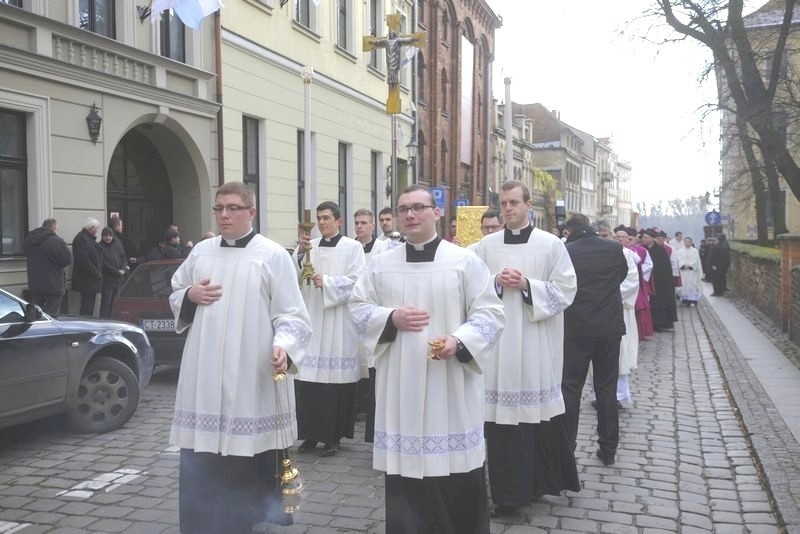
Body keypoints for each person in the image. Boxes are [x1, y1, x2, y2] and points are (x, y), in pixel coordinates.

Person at [350, 185, 505, 533]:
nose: (409, 214)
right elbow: (358, 309)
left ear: (436, 213)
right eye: (403, 209)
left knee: (456, 471)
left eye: (418, 207)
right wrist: (390, 319)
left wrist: (459, 341)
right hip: (401, 382)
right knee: (407, 477)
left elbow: (491, 315)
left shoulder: (463, 261)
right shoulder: (381, 264)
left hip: (449, 384)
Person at [169, 181, 312, 534]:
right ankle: (201, 520)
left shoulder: (272, 255)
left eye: (233, 208)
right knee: (203, 450)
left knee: (245, 449)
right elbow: (176, 290)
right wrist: (190, 294)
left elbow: (291, 314)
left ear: (251, 212)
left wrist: (284, 346)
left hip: (252, 370)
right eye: (219, 208)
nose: (224, 215)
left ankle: (243, 518)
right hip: (204, 371)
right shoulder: (201, 252)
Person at [474, 181, 578, 516]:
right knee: (502, 425)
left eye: (513, 203)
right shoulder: (485, 246)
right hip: (498, 349)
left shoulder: (550, 245)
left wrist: (527, 285)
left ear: (529, 204)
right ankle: (508, 495)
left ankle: (535, 485)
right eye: (503, 203)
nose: (507, 209)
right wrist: (495, 283)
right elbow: (470, 287)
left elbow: (566, 290)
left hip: (535, 345)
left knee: (533, 421)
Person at [292, 201, 365, 457]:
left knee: (334, 384)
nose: (322, 223)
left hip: (338, 321)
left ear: (339, 221)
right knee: (308, 380)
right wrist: (300, 255)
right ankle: (310, 435)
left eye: (326, 218)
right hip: (313, 317)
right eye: (319, 219)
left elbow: (359, 282)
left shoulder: (353, 248)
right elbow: (295, 275)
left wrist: (330, 282)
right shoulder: (309, 245)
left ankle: (332, 437)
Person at [561, 213, 628, 467]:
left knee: (570, 389)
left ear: (570, 230)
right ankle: (608, 448)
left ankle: (568, 446)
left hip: (577, 328)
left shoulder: (567, 251)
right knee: (606, 389)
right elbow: (620, 277)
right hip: (609, 328)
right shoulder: (613, 248)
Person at [352, 208, 387, 441]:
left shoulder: (382, 249)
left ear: (372, 226)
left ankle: (367, 406)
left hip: (374, 308)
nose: (360, 227)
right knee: (356, 360)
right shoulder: (349, 247)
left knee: (371, 361)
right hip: (354, 310)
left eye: (364, 222)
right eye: (357, 223)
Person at [23, 218, 72, 316]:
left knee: (35, 316)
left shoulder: (30, 239)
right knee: (51, 317)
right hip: (53, 285)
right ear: (54, 228)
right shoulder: (56, 241)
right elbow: (67, 259)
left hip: (35, 284)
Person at [641, 229, 677, 332]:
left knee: (660, 301)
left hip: (660, 281)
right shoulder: (644, 249)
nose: (643, 239)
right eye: (643, 237)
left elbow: (663, 268)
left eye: (645, 237)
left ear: (652, 239)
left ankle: (662, 323)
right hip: (649, 280)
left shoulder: (660, 250)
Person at [71, 218, 103, 317]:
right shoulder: (82, 239)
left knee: (89, 306)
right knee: (87, 307)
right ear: (91, 228)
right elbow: (83, 260)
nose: (97, 230)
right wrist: (96, 273)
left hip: (91, 280)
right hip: (87, 280)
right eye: (96, 228)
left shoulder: (88, 239)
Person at [98, 227, 127, 318]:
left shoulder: (117, 244)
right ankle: (104, 322)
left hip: (118, 281)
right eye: (106, 236)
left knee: (115, 305)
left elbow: (123, 257)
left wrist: (123, 269)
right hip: (107, 281)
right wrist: (116, 271)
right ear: (102, 236)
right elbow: (103, 263)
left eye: (110, 236)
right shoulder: (100, 247)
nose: (108, 238)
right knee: (106, 304)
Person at [677, 237, 703, 306]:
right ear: (684, 242)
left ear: (691, 242)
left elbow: (696, 260)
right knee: (684, 285)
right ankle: (685, 300)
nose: (687, 243)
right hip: (683, 271)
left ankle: (693, 300)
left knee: (692, 286)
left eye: (689, 241)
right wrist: (683, 265)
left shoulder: (695, 251)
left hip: (692, 271)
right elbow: (678, 259)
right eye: (686, 241)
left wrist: (690, 265)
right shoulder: (680, 251)